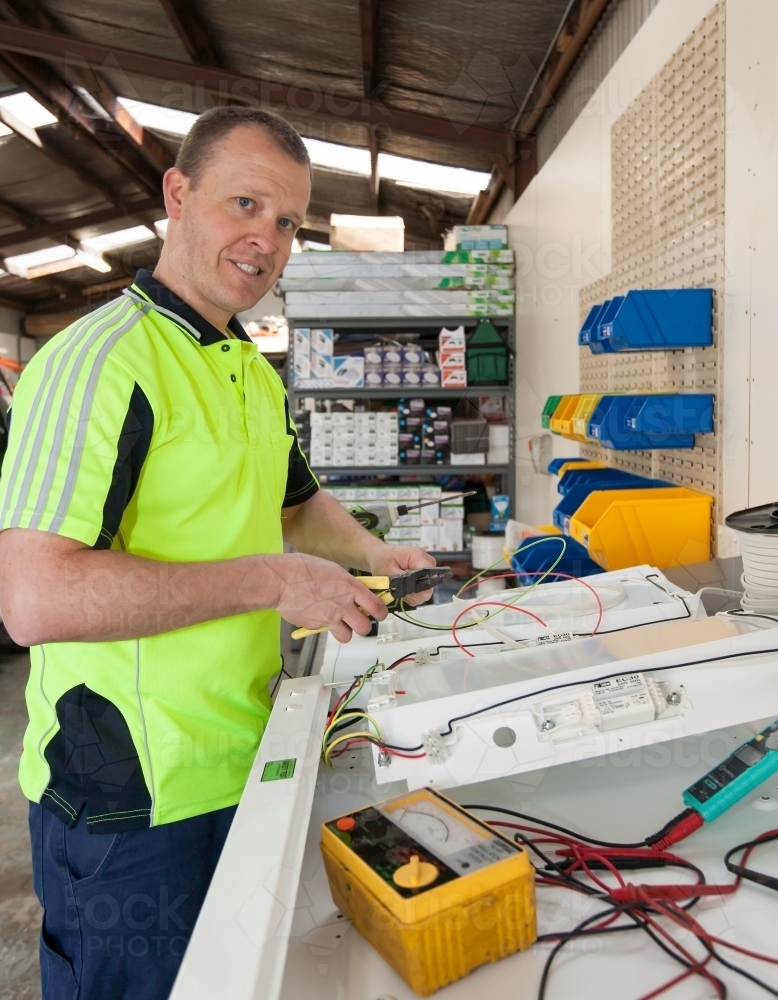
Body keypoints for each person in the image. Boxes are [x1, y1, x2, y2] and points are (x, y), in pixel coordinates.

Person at [0, 105, 435, 1000]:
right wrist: (274, 582)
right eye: (244, 203)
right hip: (130, 798)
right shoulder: (100, 362)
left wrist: (376, 558)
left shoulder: (244, 367)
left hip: (246, 754)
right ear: (178, 193)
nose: (264, 239)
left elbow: (295, 501)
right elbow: (34, 598)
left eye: (285, 223)